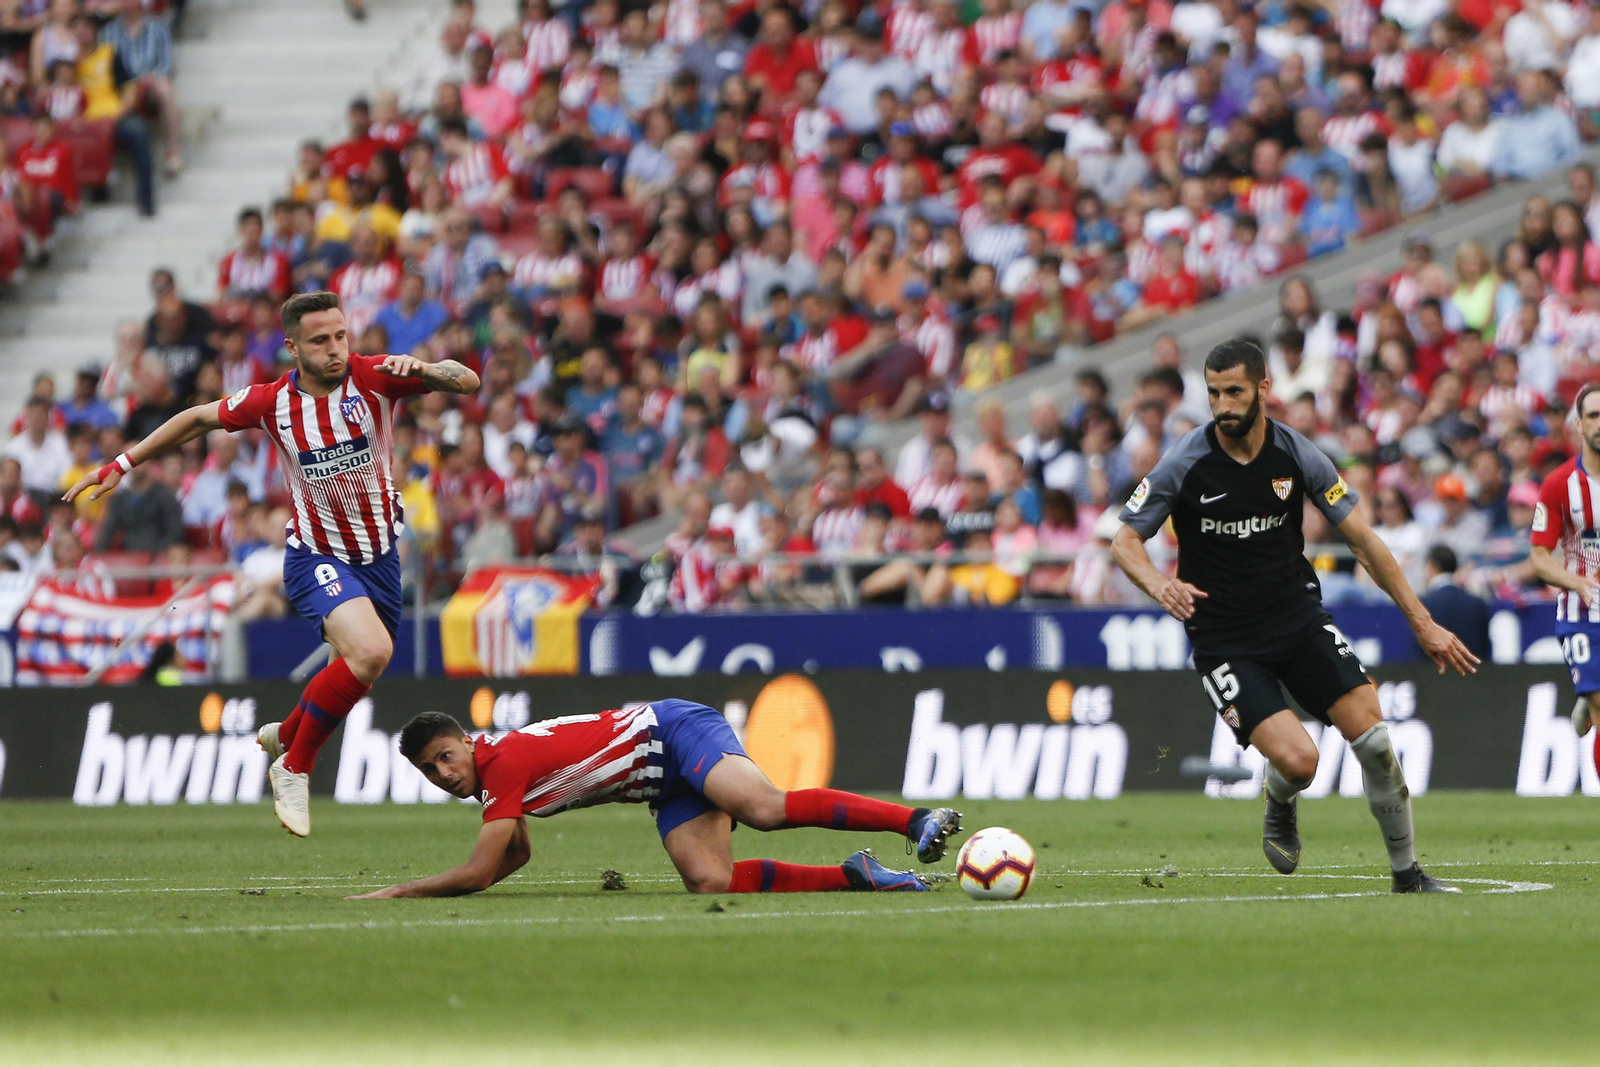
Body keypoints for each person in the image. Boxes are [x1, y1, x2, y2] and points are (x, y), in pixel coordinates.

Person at [66, 292, 481, 838]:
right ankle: (295, 765)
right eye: (319, 341)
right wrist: (122, 462)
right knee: (372, 652)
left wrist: (427, 369)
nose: (335, 349)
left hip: (380, 558)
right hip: (315, 555)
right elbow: (196, 419)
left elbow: (466, 380)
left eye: (340, 336)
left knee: (362, 670)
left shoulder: (377, 376)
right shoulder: (272, 403)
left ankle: (286, 733)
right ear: (292, 348)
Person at [1110, 338, 1477, 894]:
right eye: (1213, 393)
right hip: (1225, 640)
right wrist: (1161, 585)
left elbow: (1365, 542)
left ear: (1263, 389)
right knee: (1301, 763)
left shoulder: (1297, 454)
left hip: (1298, 620)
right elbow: (1125, 542)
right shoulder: (1186, 460)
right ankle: (1279, 797)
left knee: (1376, 741)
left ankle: (1408, 875)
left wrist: (1421, 621)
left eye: (1234, 392)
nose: (1223, 405)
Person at [349, 706, 963, 898]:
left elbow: (483, 870)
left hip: (671, 733)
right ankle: (859, 877)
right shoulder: (493, 779)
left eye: (445, 756)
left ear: (464, 740)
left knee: (765, 810)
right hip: (659, 784)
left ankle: (916, 819)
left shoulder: (502, 762)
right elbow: (513, 858)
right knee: (711, 881)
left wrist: (399, 892)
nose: (442, 772)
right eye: (429, 769)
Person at [1530, 384, 1600, 746]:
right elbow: (1539, 556)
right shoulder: (1559, 484)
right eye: (1593, 416)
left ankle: (1587, 699)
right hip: (1582, 613)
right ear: (1579, 424)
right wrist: (1574, 581)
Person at [1415, 545, 1490, 660]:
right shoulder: (1477, 604)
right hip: (1471, 673)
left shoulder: (1421, 605)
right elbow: (1485, 650)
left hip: (1433, 674)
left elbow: (1416, 652)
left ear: (1432, 566)